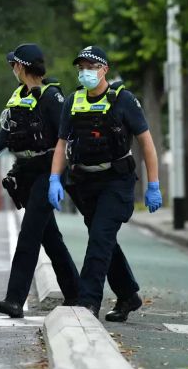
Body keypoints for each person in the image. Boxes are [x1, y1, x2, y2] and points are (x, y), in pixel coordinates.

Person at [48, 46, 162, 322]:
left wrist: (153, 184)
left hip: (117, 181)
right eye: (81, 67)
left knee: (100, 238)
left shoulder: (124, 100)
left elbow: (146, 143)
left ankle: (87, 302)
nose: (85, 72)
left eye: (91, 66)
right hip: (85, 182)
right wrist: (54, 178)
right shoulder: (73, 101)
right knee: (104, 240)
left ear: (104, 70)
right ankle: (128, 296)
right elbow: (62, 142)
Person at [0, 44, 80, 318]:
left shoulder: (53, 98)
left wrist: (56, 177)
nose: (13, 70)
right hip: (27, 172)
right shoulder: (18, 97)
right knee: (49, 237)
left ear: (21, 66)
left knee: (29, 234)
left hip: (48, 170)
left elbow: (65, 138)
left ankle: (14, 299)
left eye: (14, 65)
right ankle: (77, 292)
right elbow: (4, 136)